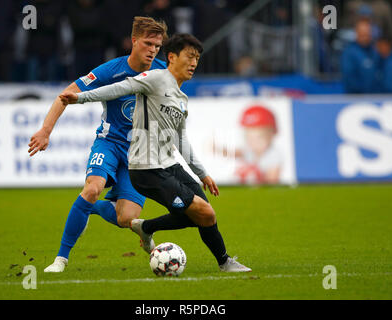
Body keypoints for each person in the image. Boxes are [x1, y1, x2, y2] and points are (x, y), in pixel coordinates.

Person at [60, 33, 251, 272]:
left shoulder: (181, 98)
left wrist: (202, 174)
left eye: (197, 58)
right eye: (189, 56)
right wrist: (80, 98)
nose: (194, 63)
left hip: (169, 164)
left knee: (204, 215)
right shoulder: (155, 78)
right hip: (147, 168)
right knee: (203, 211)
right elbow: (118, 88)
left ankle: (147, 227)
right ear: (171, 57)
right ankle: (224, 263)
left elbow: (181, 140)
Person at [28, 17, 168, 273]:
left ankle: (90, 208)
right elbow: (66, 96)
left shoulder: (162, 73)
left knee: (126, 218)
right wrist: (45, 131)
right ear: (134, 41)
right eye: (148, 43)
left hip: (140, 154)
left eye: (157, 46)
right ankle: (61, 259)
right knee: (93, 188)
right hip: (110, 144)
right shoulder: (110, 71)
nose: (153, 50)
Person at [341, 18, 380, 93]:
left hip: (375, 98)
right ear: (357, 33)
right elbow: (350, 79)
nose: (365, 38)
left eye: (367, 34)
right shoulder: (349, 53)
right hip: (356, 99)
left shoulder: (375, 52)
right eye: (362, 35)